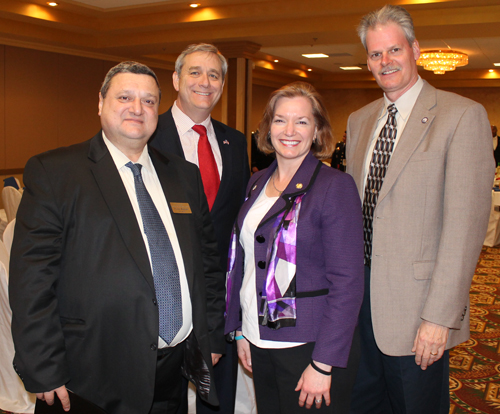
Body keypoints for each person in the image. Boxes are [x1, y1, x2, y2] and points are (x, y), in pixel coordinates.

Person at [9, 61, 226, 414]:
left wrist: (211, 334)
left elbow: (208, 265)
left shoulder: (183, 176)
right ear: (100, 103)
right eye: (125, 96)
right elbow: (31, 282)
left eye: (149, 101)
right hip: (91, 374)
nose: (137, 109)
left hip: (174, 368)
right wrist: (44, 367)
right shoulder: (55, 172)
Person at [346, 5, 494, 414]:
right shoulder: (360, 121)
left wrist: (439, 317)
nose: (385, 61)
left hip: (418, 312)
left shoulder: (462, 115)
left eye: (394, 50)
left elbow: (465, 228)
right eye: (376, 54)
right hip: (359, 304)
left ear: (415, 49)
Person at [225, 81, 364, 414]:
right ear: (267, 128)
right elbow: (245, 262)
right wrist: (241, 331)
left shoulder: (335, 187)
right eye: (279, 120)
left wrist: (323, 364)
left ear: (317, 130)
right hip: (258, 337)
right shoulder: (257, 182)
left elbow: (348, 283)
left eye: (301, 121)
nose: (289, 130)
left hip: (309, 346)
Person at [149, 43, 249, 414]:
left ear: (222, 84)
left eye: (214, 75)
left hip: (218, 292)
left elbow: (238, 216)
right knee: (163, 393)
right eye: (194, 72)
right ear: (175, 79)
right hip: (163, 290)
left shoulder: (234, 142)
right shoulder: (148, 132)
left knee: (217, 391)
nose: (205, 82)